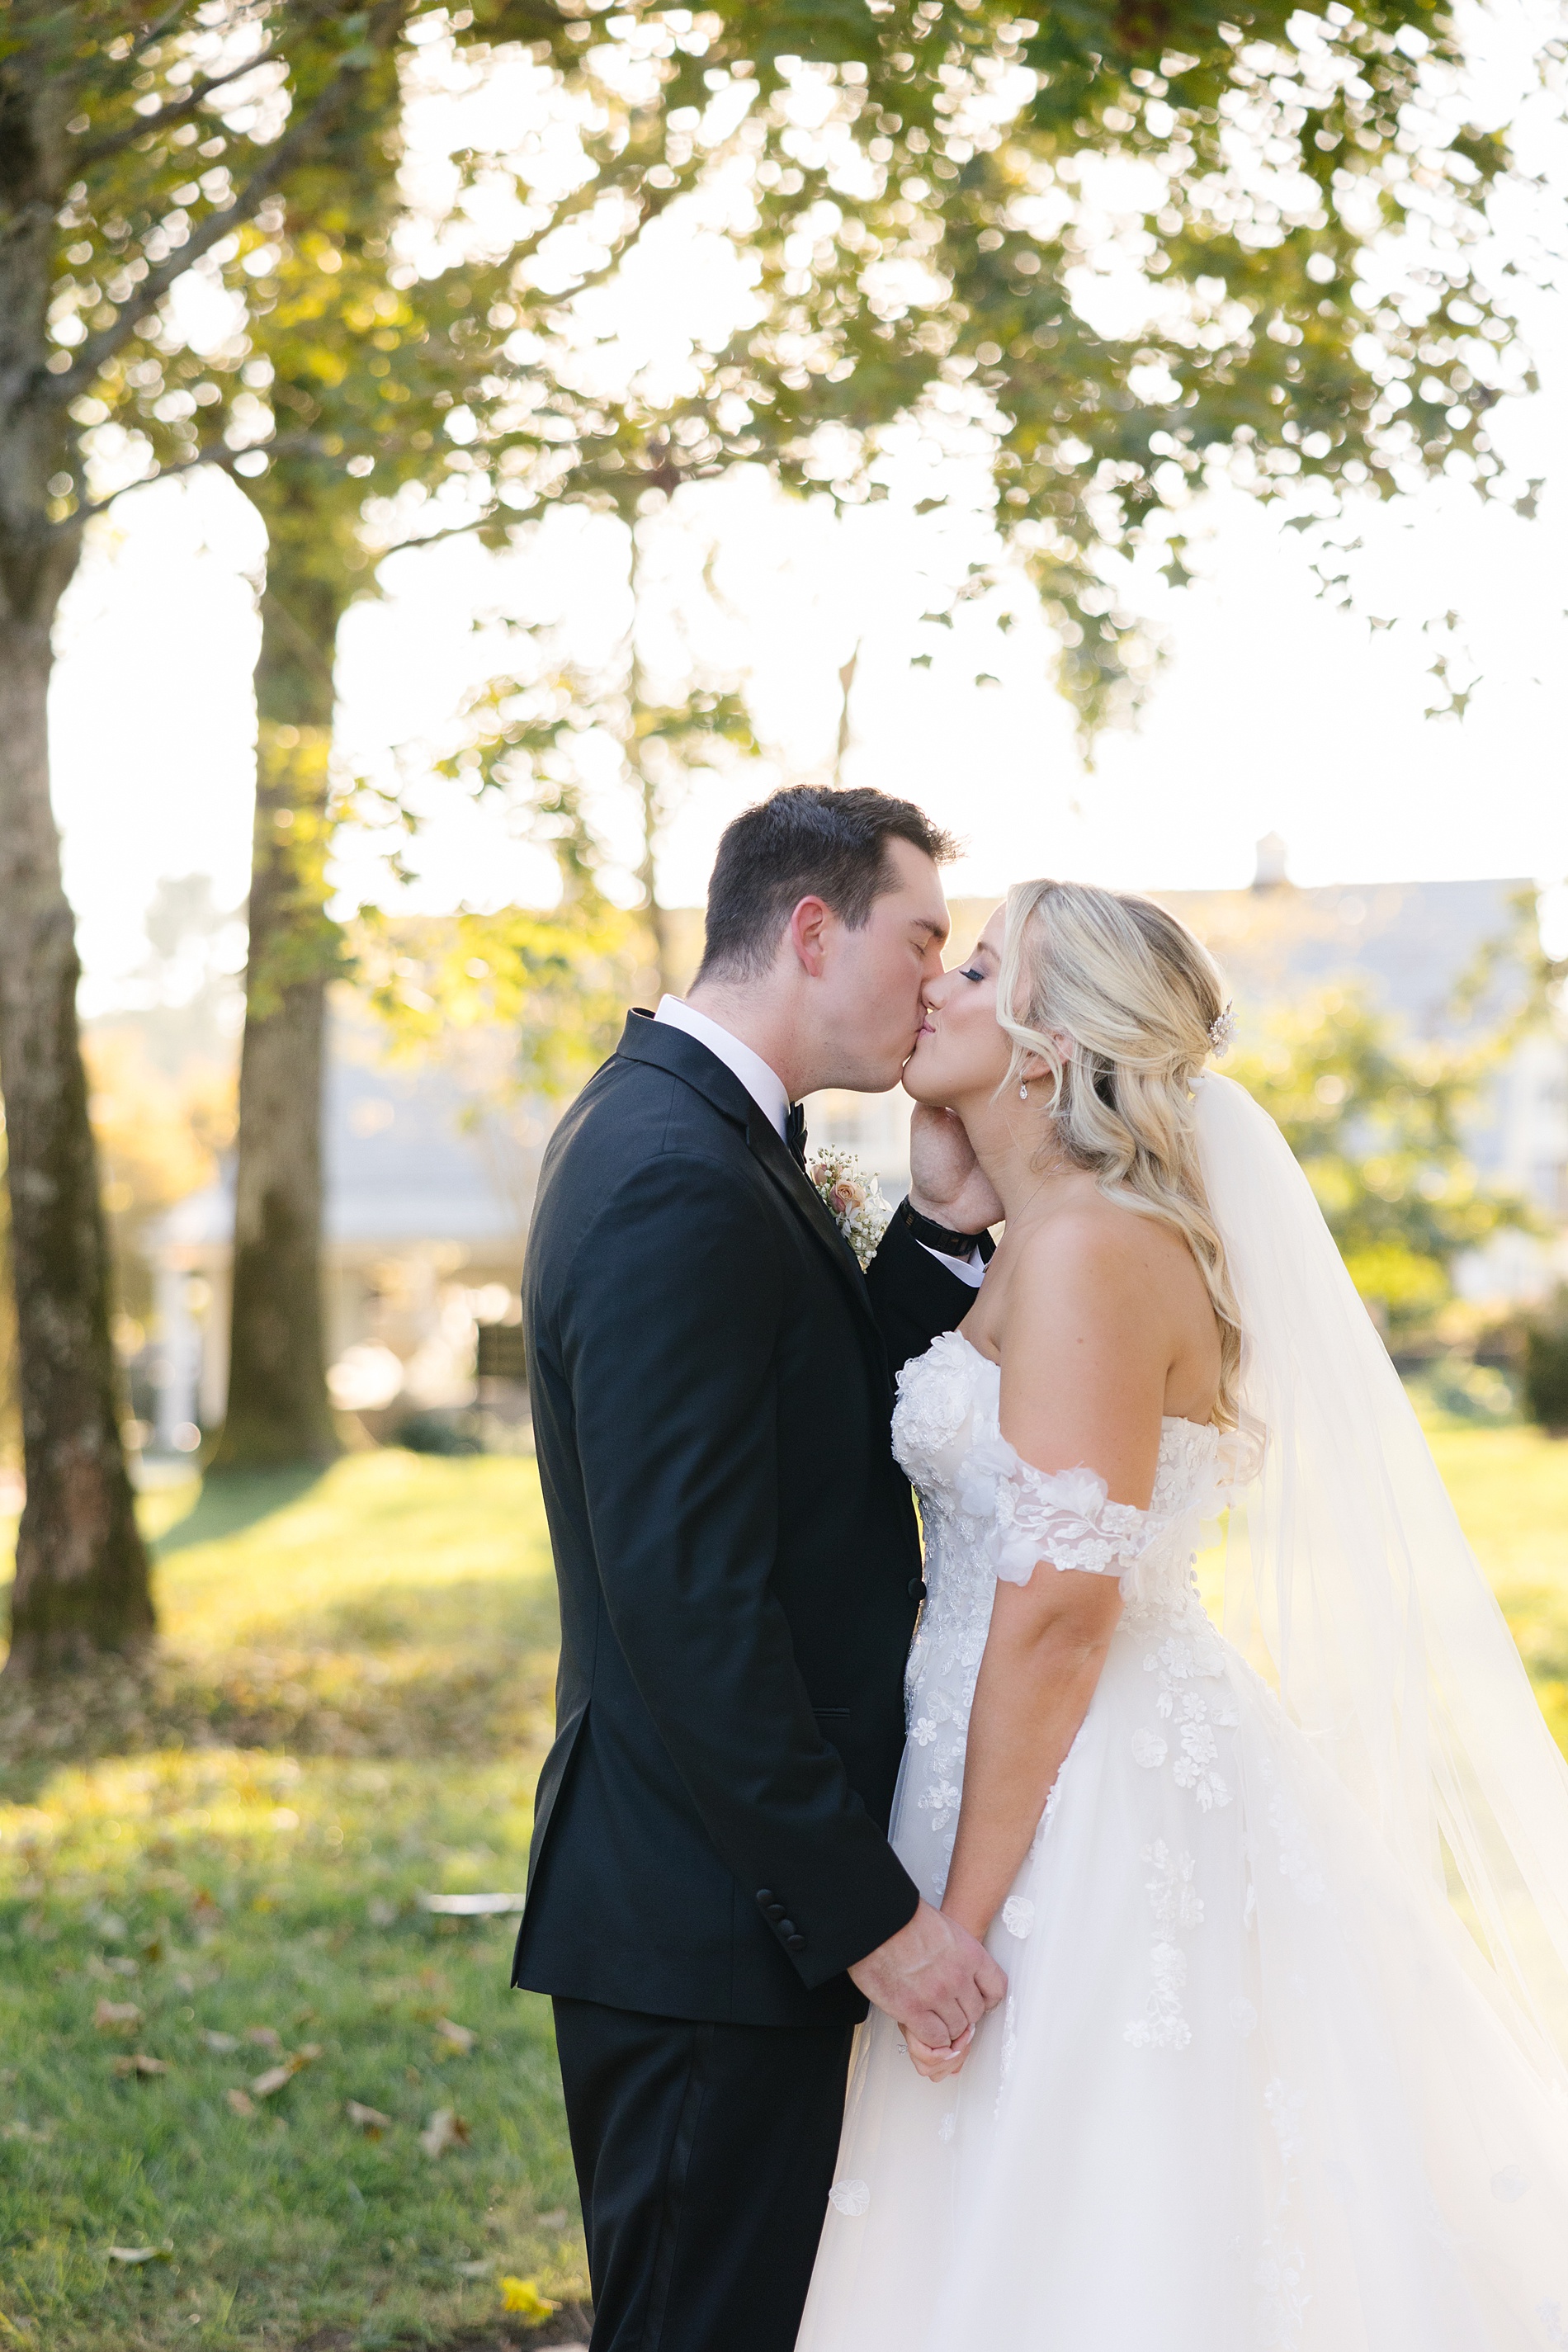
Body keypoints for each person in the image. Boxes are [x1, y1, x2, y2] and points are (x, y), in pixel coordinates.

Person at [797, 880, 1568, 2350]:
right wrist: (955, 1199)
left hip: (1075, 1788)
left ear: (1048, 1036)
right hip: (1005, 1754)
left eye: (976, 967)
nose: (938, 988)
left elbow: (1062, 1616)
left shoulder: (1094, 1248)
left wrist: (953, 1926)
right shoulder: (1048, 1234)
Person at [512, 785, 1008, 2352]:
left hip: (722, 1906)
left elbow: (805, 1430)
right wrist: (878, 1919)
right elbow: (693, 1607)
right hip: (708, 1916)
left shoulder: (696, 1126)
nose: (939, 980)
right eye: (922, 938)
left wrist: (932, 1227)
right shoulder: (675, 1168)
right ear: (813, 928)